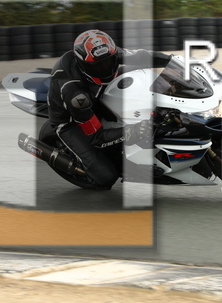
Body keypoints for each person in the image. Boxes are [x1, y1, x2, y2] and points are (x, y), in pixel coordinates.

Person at [47, 29, 171, 190]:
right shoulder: (75, 93)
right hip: (71, 121)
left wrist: (173, 61)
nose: (105, 69)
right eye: (98, 66)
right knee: (105, 178)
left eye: (109, 62)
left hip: (98, 94)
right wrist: (132, 131)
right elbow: (96, 137)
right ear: (83, 64)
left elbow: (142, 56)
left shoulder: (108, 53)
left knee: (141, 74)